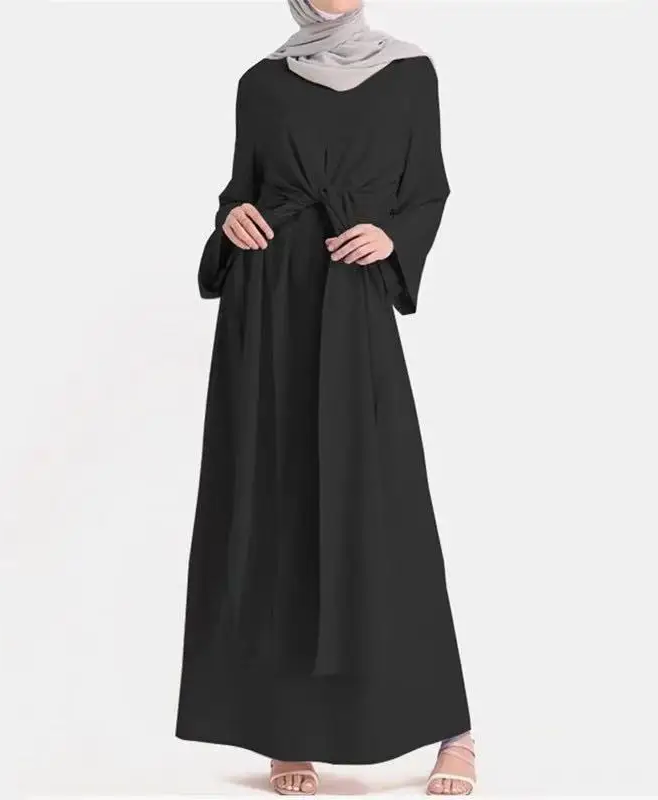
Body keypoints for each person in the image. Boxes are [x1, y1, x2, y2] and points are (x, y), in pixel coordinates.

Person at [176, 1, 476, 794]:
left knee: (383, 504)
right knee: (275, 504)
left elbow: (428, 190)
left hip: (349, 298)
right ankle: (288, 731)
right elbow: (240, 192)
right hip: (267, 305)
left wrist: (393, 236)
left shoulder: (408, 73)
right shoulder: (262, 81)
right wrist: (232, 218)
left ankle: (453, 729)